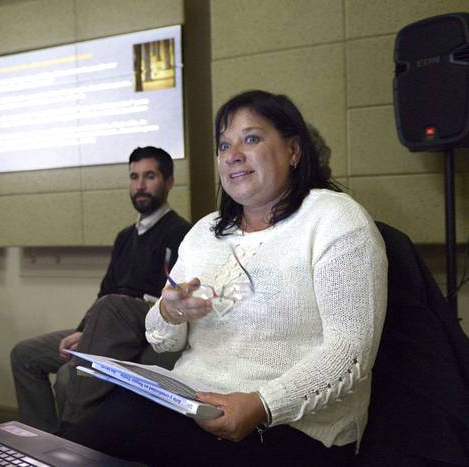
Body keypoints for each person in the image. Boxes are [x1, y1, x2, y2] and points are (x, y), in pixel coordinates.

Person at [62, 90, 388, 466]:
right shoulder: (206, 231)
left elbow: (350, 354)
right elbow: (162, 341)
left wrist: (262, 404)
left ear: (294, 150)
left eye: (251, 139)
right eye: (223, 145)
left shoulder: (335, 219)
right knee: (97, 431)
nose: (233, 155)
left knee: (109, 435)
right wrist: (170, 313)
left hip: (293, 426)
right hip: (193, 403)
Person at [10, 146, 191, 433]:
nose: (140, 185)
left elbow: (168, 306)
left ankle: (69, 444)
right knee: (24, 355)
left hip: (139, 336)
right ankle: (40, 442)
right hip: (100, 327)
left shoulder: (182, 234)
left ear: (168, 182)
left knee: (70, 376)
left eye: (149, 176)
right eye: (134, 177)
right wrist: (83, 331)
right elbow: (103, 293)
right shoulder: (124, 238)